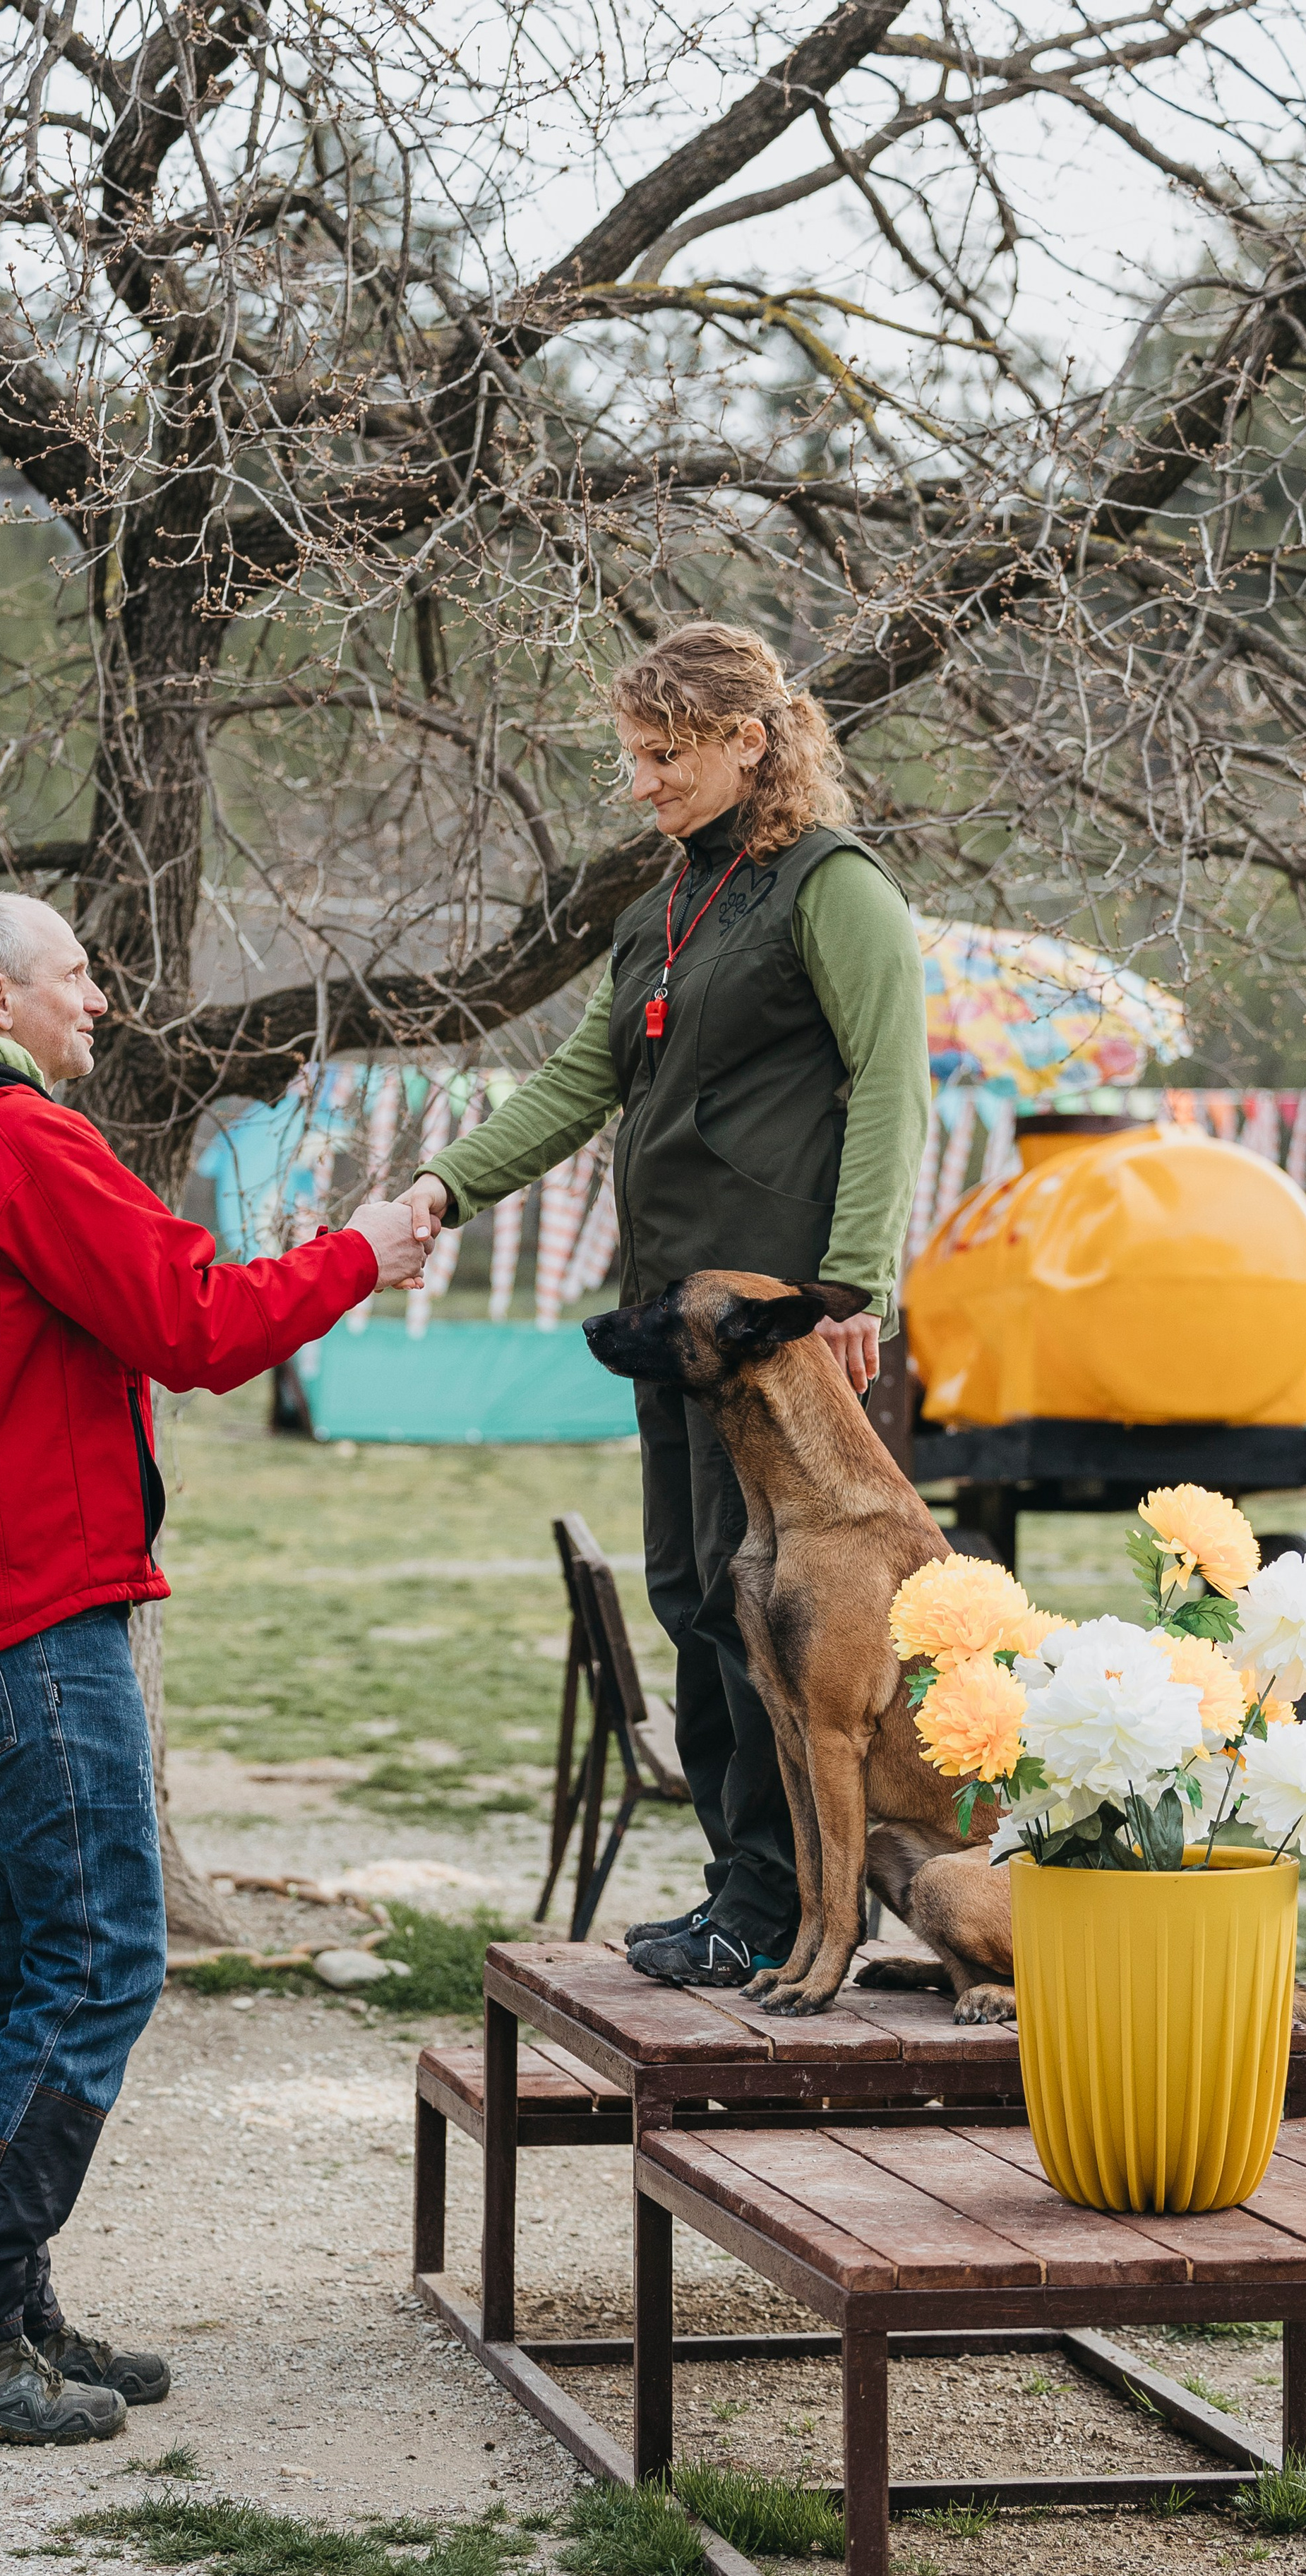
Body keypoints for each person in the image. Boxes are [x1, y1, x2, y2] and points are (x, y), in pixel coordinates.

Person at [0, 889, 428, 2443]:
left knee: (20, 1970)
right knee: (98, 1963)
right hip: (32, 1618)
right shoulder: (15, 1140)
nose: (98, 1000)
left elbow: (91, 1324)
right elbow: (192, 1328)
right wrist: (363, 1250)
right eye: (74, 977)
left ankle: (2, 2295)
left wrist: (267, 1270)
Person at [401, 623, 928, 1989]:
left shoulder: (835, 888)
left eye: (665, 756)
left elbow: (889, 1083)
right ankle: (745, 1885)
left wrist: (851, 1279)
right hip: (676, 1331)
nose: (640, 783)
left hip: (774, 1336)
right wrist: (438, 1191)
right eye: (634, 757)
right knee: (698, 1592)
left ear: (750, 742)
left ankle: (779, 1902)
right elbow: (580, 1082)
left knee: (776, 1615)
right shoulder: (667, 909)